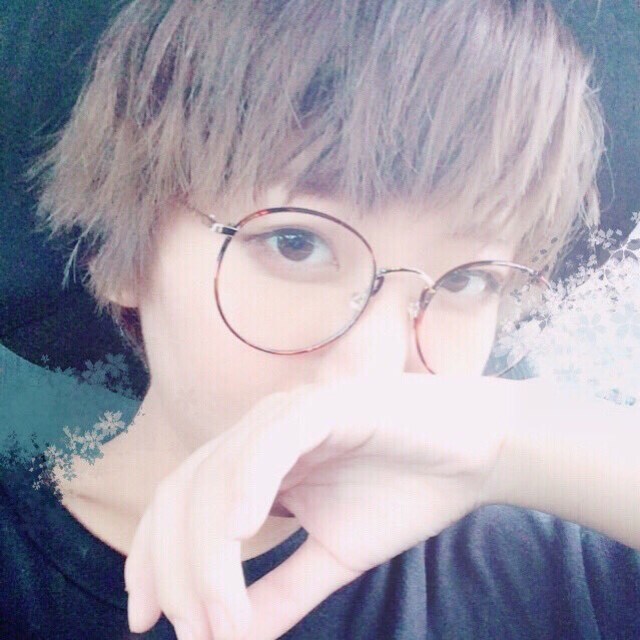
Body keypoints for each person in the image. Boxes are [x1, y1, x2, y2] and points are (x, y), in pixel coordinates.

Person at [1, 1, 638, 638]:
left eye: (466, 281)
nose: (373, 373)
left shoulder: (549, 563)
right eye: (296, 244)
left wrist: (515, 442)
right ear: (122, 252)